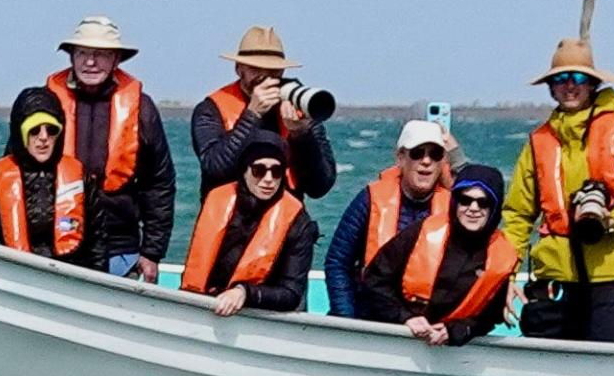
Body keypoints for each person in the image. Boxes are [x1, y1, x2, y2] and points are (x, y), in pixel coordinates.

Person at [502, 38, 614, 343]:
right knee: (547, 373)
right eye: (561, 79)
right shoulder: (538, 144)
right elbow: (518, 217)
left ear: (591, 84)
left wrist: (610, 221)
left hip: (608, 282)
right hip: (554, 282)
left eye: (577, 78)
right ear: (551, 88)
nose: (569, 86)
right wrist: (506, 274)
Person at [46, 16, 174, 281]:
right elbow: (15, 171)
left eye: (100, 55)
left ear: (116, 59)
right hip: (54, 244)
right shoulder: (45, 103)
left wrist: (152, 252)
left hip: (119, 249)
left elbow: (159, 184)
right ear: (71, 57)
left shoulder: (142, 108)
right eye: (82, 53)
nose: (90, 62)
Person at [359, 164, 518, 347]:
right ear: (455, 202)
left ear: (494, 209)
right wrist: (405, 317)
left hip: (448, 346)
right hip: (399, 333)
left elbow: (490, 317)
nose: (473, 208)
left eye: (483, 203)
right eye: (465, 200)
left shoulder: (503, 257)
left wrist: (458, 330)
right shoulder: (420, 232)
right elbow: (374, 279)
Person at [324, 119, 468, 318]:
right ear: (401, 157)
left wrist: (457, 158)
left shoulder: (455, 207)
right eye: (417, 153)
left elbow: (484, 196)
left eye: (435, 155)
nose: (426, 161)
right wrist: (346, 316)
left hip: (424, 321)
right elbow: (337, 262)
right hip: (369, 315)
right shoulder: (369, 199)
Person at [190, 25, 336, 202]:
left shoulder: (299, 106)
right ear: (238, 69)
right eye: (255, 69)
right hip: (232, 219)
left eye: (273, 71)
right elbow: (215, 168)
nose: (265, 78)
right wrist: (252, 115)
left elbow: (319, 186)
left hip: (285, 221)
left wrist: (302, 136)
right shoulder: (210, 109)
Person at [180, 135, 319, 317]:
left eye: (276, 171)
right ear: (244, 171)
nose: (268, 179)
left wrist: (245, 292)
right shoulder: (217, 200)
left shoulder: (299, 222)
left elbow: (291, 293)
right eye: (259, 170)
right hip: (205, 303)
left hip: (259, 312)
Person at [0, 86, 106, 270]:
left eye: (51, 130)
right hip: (17, 274)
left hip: (70, 276)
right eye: (34, 130)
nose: (43, 138)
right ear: (21, 134)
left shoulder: (81, 177)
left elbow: (98, 241)